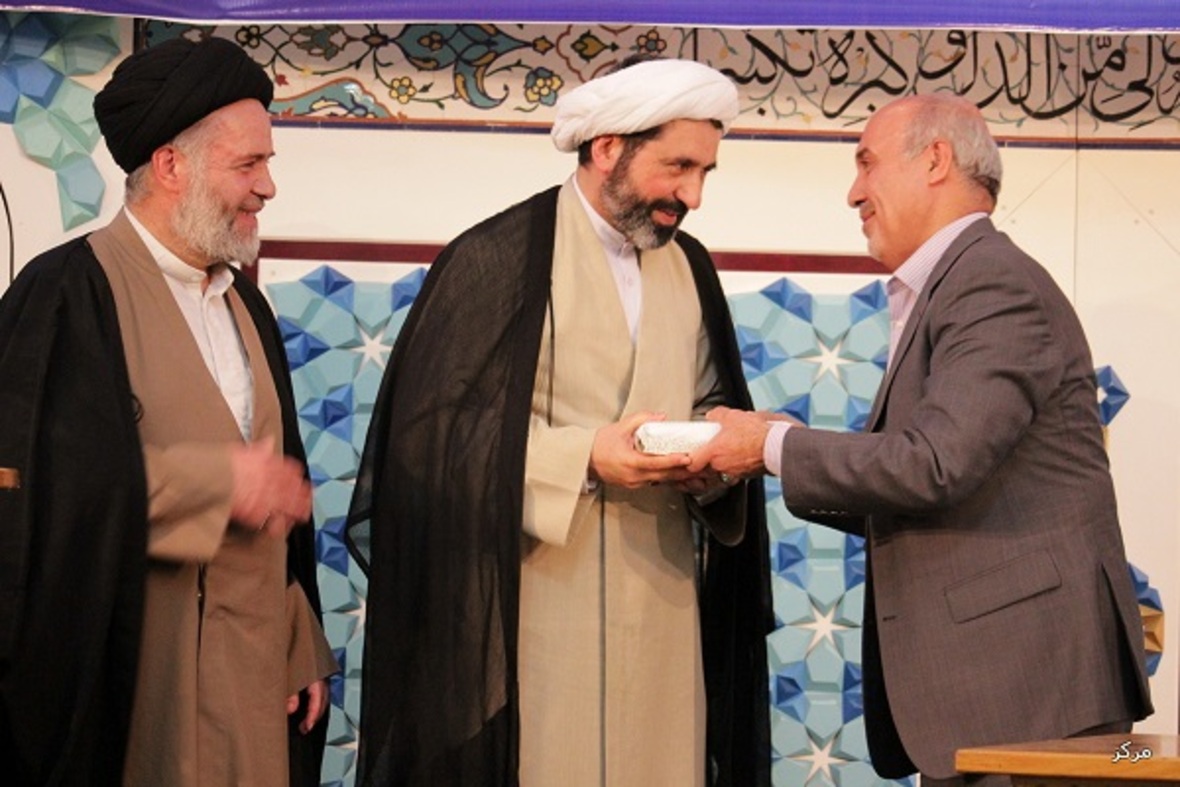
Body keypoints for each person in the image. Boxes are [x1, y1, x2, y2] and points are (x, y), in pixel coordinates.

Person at [688, 93, 1153, 785]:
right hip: (993, 692)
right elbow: (932, 480)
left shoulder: (991, 282)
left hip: (1030, 688)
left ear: (936, 160)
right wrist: (781, 445)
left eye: (867, 163)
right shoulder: (958, 283)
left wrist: (770, 447)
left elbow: (936, 465)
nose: (854, 193)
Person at [345, 56, 772, 786]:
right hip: (537, 606)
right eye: (678, 166)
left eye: (705, 171)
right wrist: (584, 458)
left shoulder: (690, 267)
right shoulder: (497, 258)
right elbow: (429, 438)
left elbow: (708, 397)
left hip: (663, 610)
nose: (693, 194)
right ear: (608, 148)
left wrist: (714, 456)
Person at [0, 37, 338, 786]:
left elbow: (278, 517)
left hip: (253, 680)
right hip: (138, 683)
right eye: (248, 164)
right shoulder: (65, 296)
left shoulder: (247, 305)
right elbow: (40, 500)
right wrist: (215, 482)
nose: (267, 187)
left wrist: (299, 635)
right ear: (170, 166)